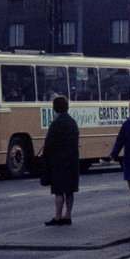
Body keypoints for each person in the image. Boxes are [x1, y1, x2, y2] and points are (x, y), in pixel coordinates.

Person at [42, 95, 79, 226]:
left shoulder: (55, 123)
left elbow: (49, 144)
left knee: (59, 191)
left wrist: (45, 158)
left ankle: (58, 216)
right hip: (72, 160)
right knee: (69, 190)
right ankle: (68, 215)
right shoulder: (72, 122)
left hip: (59, 161)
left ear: (55, 108)